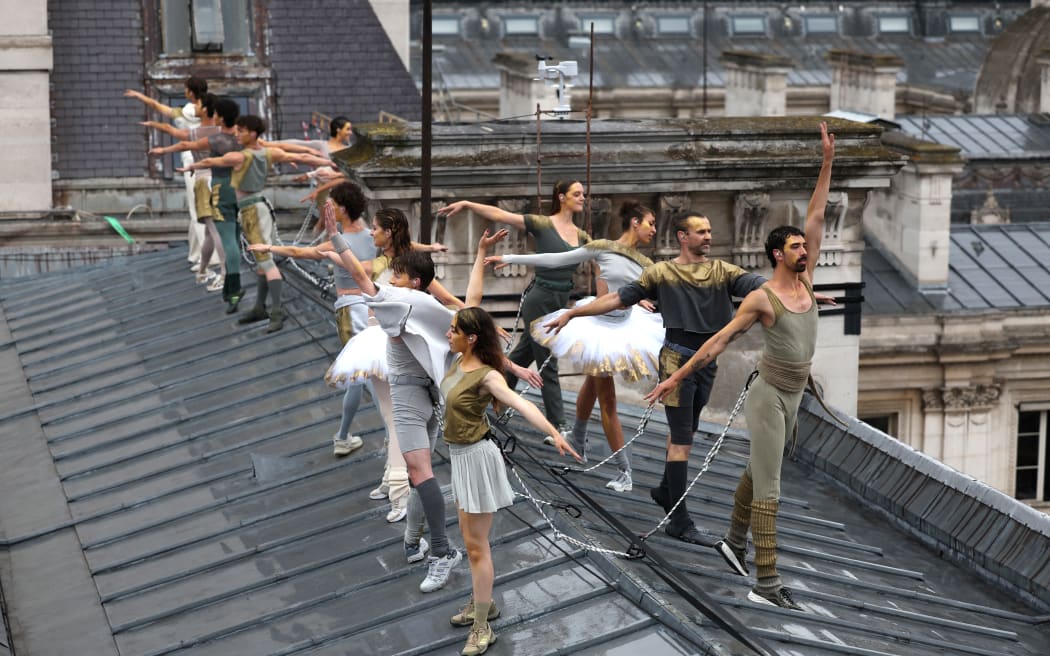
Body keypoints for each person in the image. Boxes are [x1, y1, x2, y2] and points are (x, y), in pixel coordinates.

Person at [646, 122, 836, 611]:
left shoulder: (807, 282)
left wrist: (827, 161)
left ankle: (733, 538)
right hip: (770, 394)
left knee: (760, 468)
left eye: (804, 247)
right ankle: (766, 581)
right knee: (771, 483)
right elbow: (717, 342)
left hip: (796, 393)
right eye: (796, 247)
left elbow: (817, 212)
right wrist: (675, 376)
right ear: (778, 253)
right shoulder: (763, 296)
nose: (804, 250)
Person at [325, 231, 549, 594]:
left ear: (413, 282)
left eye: (396, 275)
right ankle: (416, 542)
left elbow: (362, 278)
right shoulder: (430, 306)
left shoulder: (402, 300)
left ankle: (440, 552)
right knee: (420, 472)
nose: (390, 281)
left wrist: (336, 237)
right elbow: (471, 306)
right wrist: (478, 252)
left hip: (415, 390)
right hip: (435, 389)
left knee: (419, 470)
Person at [543, 211, 766, 545]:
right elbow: (616, 299)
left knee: (688, 430)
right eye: (700, 231)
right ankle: (679, 520)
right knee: (682, 439)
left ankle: (665, 488)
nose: (707, 236)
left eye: (709, 230)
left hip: (707, 362)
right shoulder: (662, 272)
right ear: (682, 236)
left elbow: (762, 286)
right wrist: (574, 312)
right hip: (677, 362)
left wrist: (798, 294)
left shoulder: (723, 270)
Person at [484, 200, 662, 492]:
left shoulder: (647, 264)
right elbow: (556, 260)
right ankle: (624, 471)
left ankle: (578, 438)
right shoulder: (605, 246)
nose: (654, 229)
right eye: (650, 223)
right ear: (634, 222)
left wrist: (640, 297)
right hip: (598, 327)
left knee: (595, 384)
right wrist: (512, 256)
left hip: (626, 327)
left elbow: (637, 289)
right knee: (608, 402)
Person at [443, 307, 578, 656]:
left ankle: (482, 627)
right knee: (470, 541)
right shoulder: (459, 361)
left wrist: (554, 432)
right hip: (460, 458)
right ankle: (481, 603)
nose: (448, 333)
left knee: (476, 546)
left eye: (454, 329)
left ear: (470, 338)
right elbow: (470, 302)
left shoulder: (488, 376)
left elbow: (521, 404)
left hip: (476, 459)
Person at [440, 181, 591, 432]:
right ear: (561, 197)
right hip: (540, 297)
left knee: (524, 353)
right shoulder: (544, 224)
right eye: (577, 194)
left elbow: (605, 261)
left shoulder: (582, 236)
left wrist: (634, 295)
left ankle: (491, 392)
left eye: (583, 194)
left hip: (561, 301)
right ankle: (559, 425)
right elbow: (501, 215)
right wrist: (467, 204)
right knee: (547, 360)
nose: (583, 198)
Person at [248, 182, 376, 456]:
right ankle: (344, 435)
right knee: (363, 375)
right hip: (374, 308)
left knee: (364, 375)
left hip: (350, 311)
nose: (325, 207)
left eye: (330, 204)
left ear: (342, 209)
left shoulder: (337, 243)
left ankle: (380, 432)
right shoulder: (373, 237)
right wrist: (432, 247)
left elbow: (298, 253)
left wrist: (268, 247)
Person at [179, 115, 334, 333]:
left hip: (252, 211)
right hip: (259, 207)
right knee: (263, 260)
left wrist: (191, 166)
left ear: (252, 133)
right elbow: (298, 156)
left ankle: (277, 311)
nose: (237, 134)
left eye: (241, 130)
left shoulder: (242, 156)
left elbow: (212, 161)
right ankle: (260, 306)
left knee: (266, 262)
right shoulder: (267, 153)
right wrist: (325, 161)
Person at [126, 77, 212, 271]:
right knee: (199, 208)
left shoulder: (191, 110)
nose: (184, 92)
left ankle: (207, 257)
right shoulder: (209, 108)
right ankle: (196, 253)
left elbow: (162, 110)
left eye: (186, 89)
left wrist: (141, 96)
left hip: (193, 160)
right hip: (205, 158)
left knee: (199, 210)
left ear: (191, 91)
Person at [145, 92, 227, 291]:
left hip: (202, 181)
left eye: (199, 105)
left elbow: (181, 141)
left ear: (205, 109)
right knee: (210, 231)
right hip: (221, 181)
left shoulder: (200, 132)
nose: (195, 107)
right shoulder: (223, 132)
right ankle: (204, 270)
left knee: (213, 229)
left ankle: (225, 273)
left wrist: (160, 144)